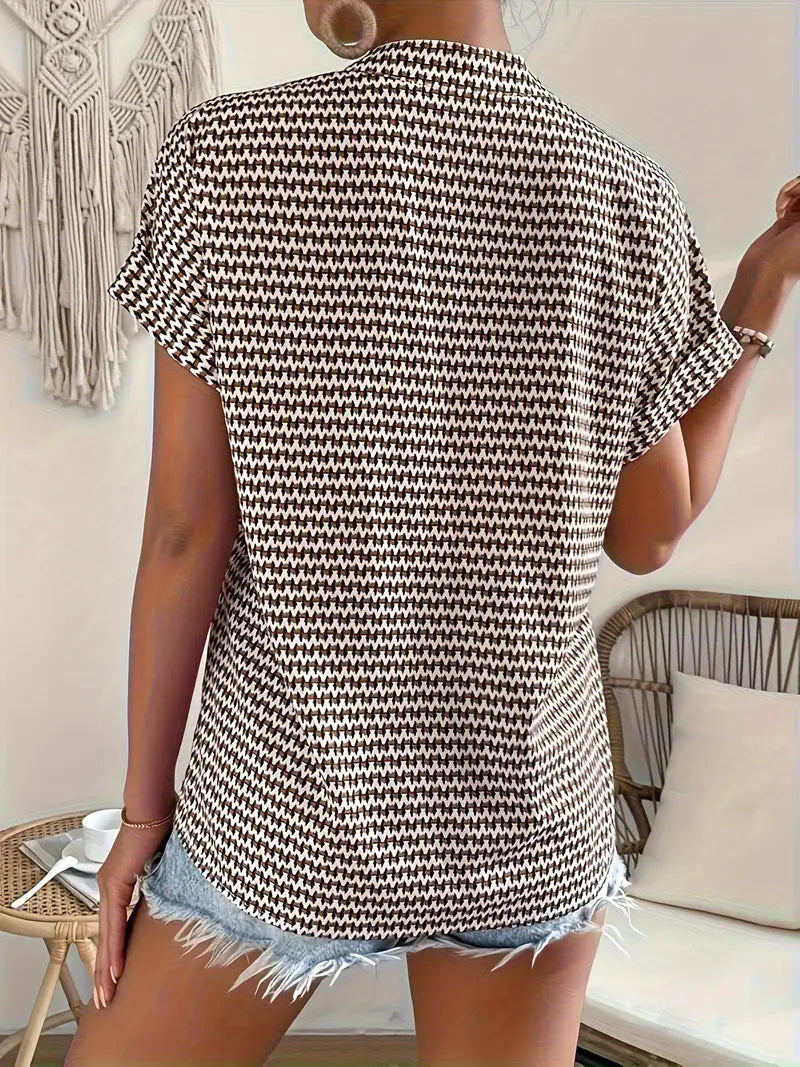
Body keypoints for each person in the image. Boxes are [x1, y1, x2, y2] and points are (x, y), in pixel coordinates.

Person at [65, 0, 795, 1063]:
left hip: (286, 796)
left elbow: (187, 528)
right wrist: (762, 287)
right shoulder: (623, 194)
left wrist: (142, 816)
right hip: (525, 807)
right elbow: (647, 536)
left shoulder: (229, 157)